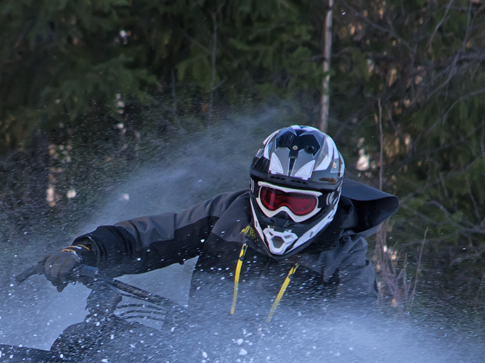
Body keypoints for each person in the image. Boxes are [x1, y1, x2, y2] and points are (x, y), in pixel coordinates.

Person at [39, 125, 399, 320]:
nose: (282, 216)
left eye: (299, 204)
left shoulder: (346, 259)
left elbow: (352, 338)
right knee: (90, 339)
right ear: (255, 192)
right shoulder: (228, 214)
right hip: (191, 353)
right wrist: (87, 251)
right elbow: (150, 236)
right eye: (272, 199)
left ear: (328, 203)